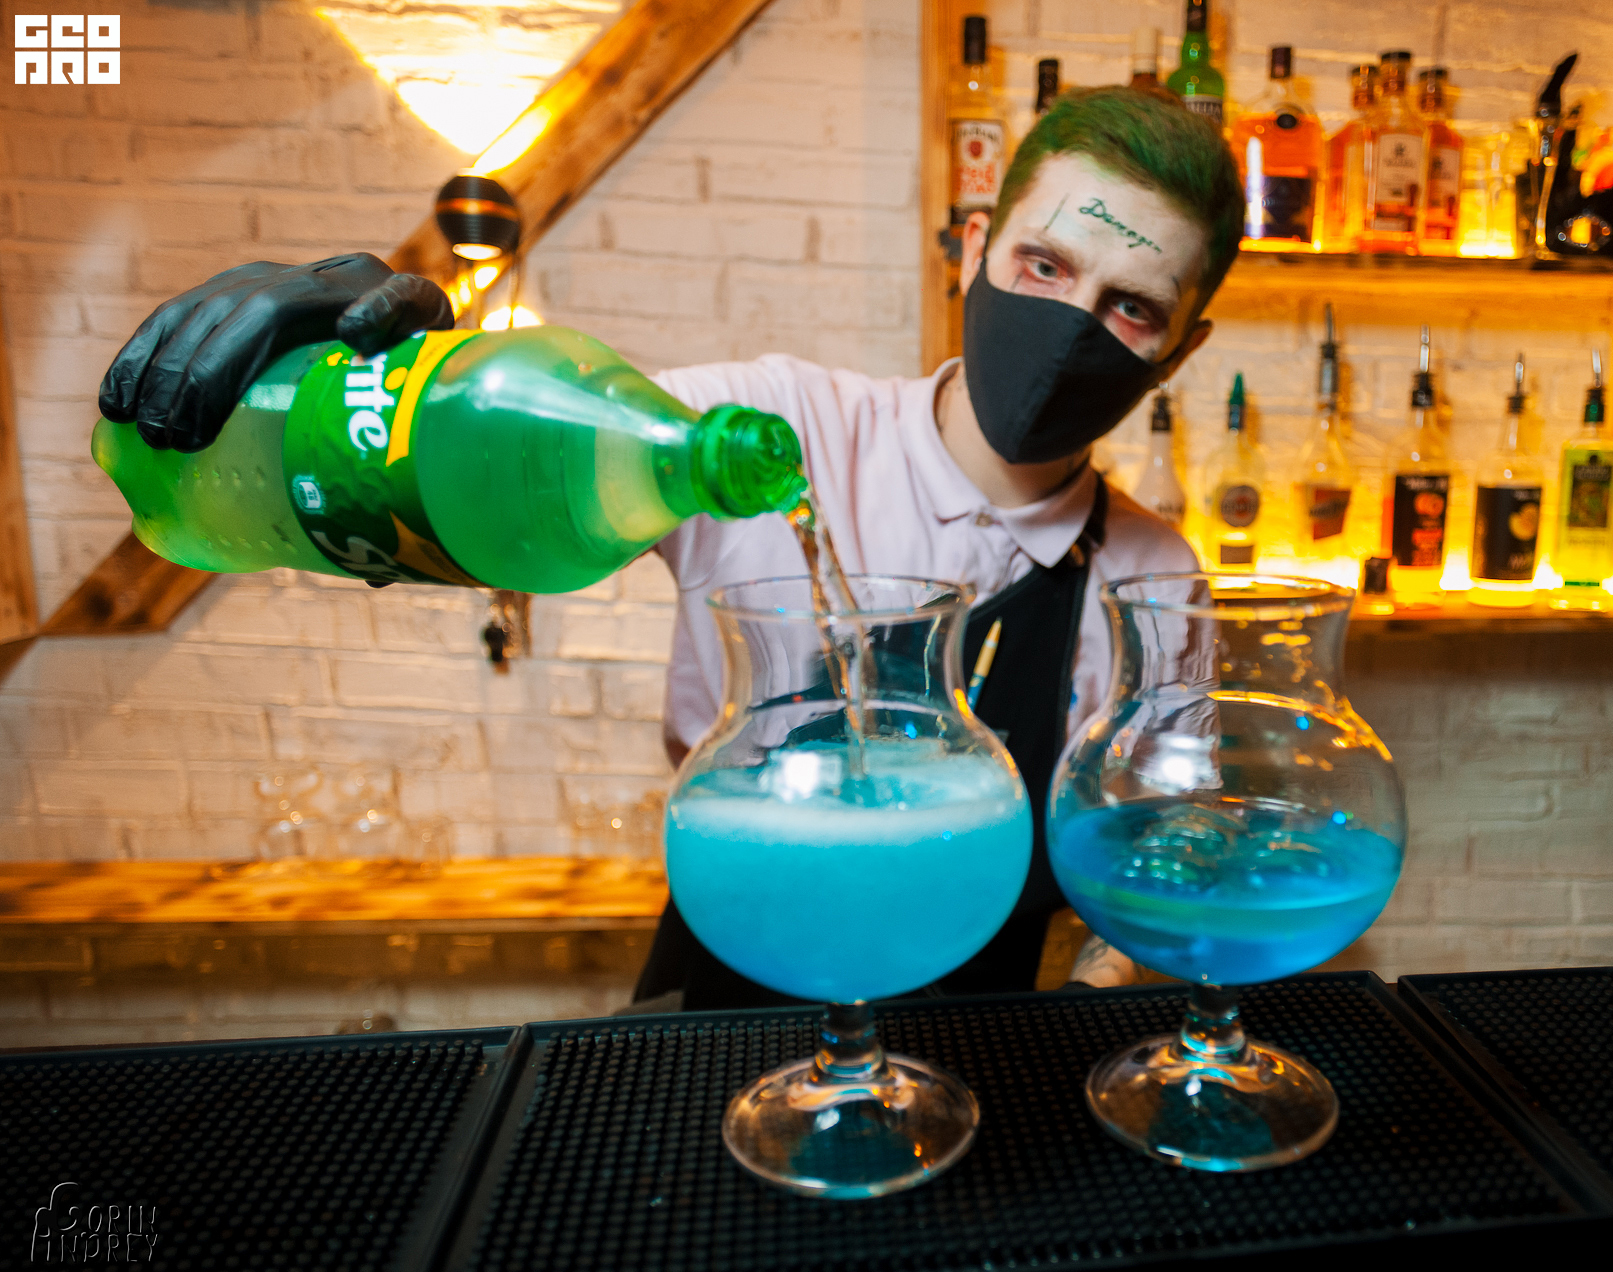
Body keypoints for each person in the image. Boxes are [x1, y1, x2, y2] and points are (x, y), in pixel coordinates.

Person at [99, 86, 1244, 1009]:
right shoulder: (759, 429)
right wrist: (362, 394)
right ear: (976, 247)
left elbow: (1150, 856)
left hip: (992, 1032)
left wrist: (1091, 1012)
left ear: (1179, 351)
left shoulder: (1153, 575)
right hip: (729, 989)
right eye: (1045, 265)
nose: (1070, 322)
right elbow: (492, 483)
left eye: (1130, 306)